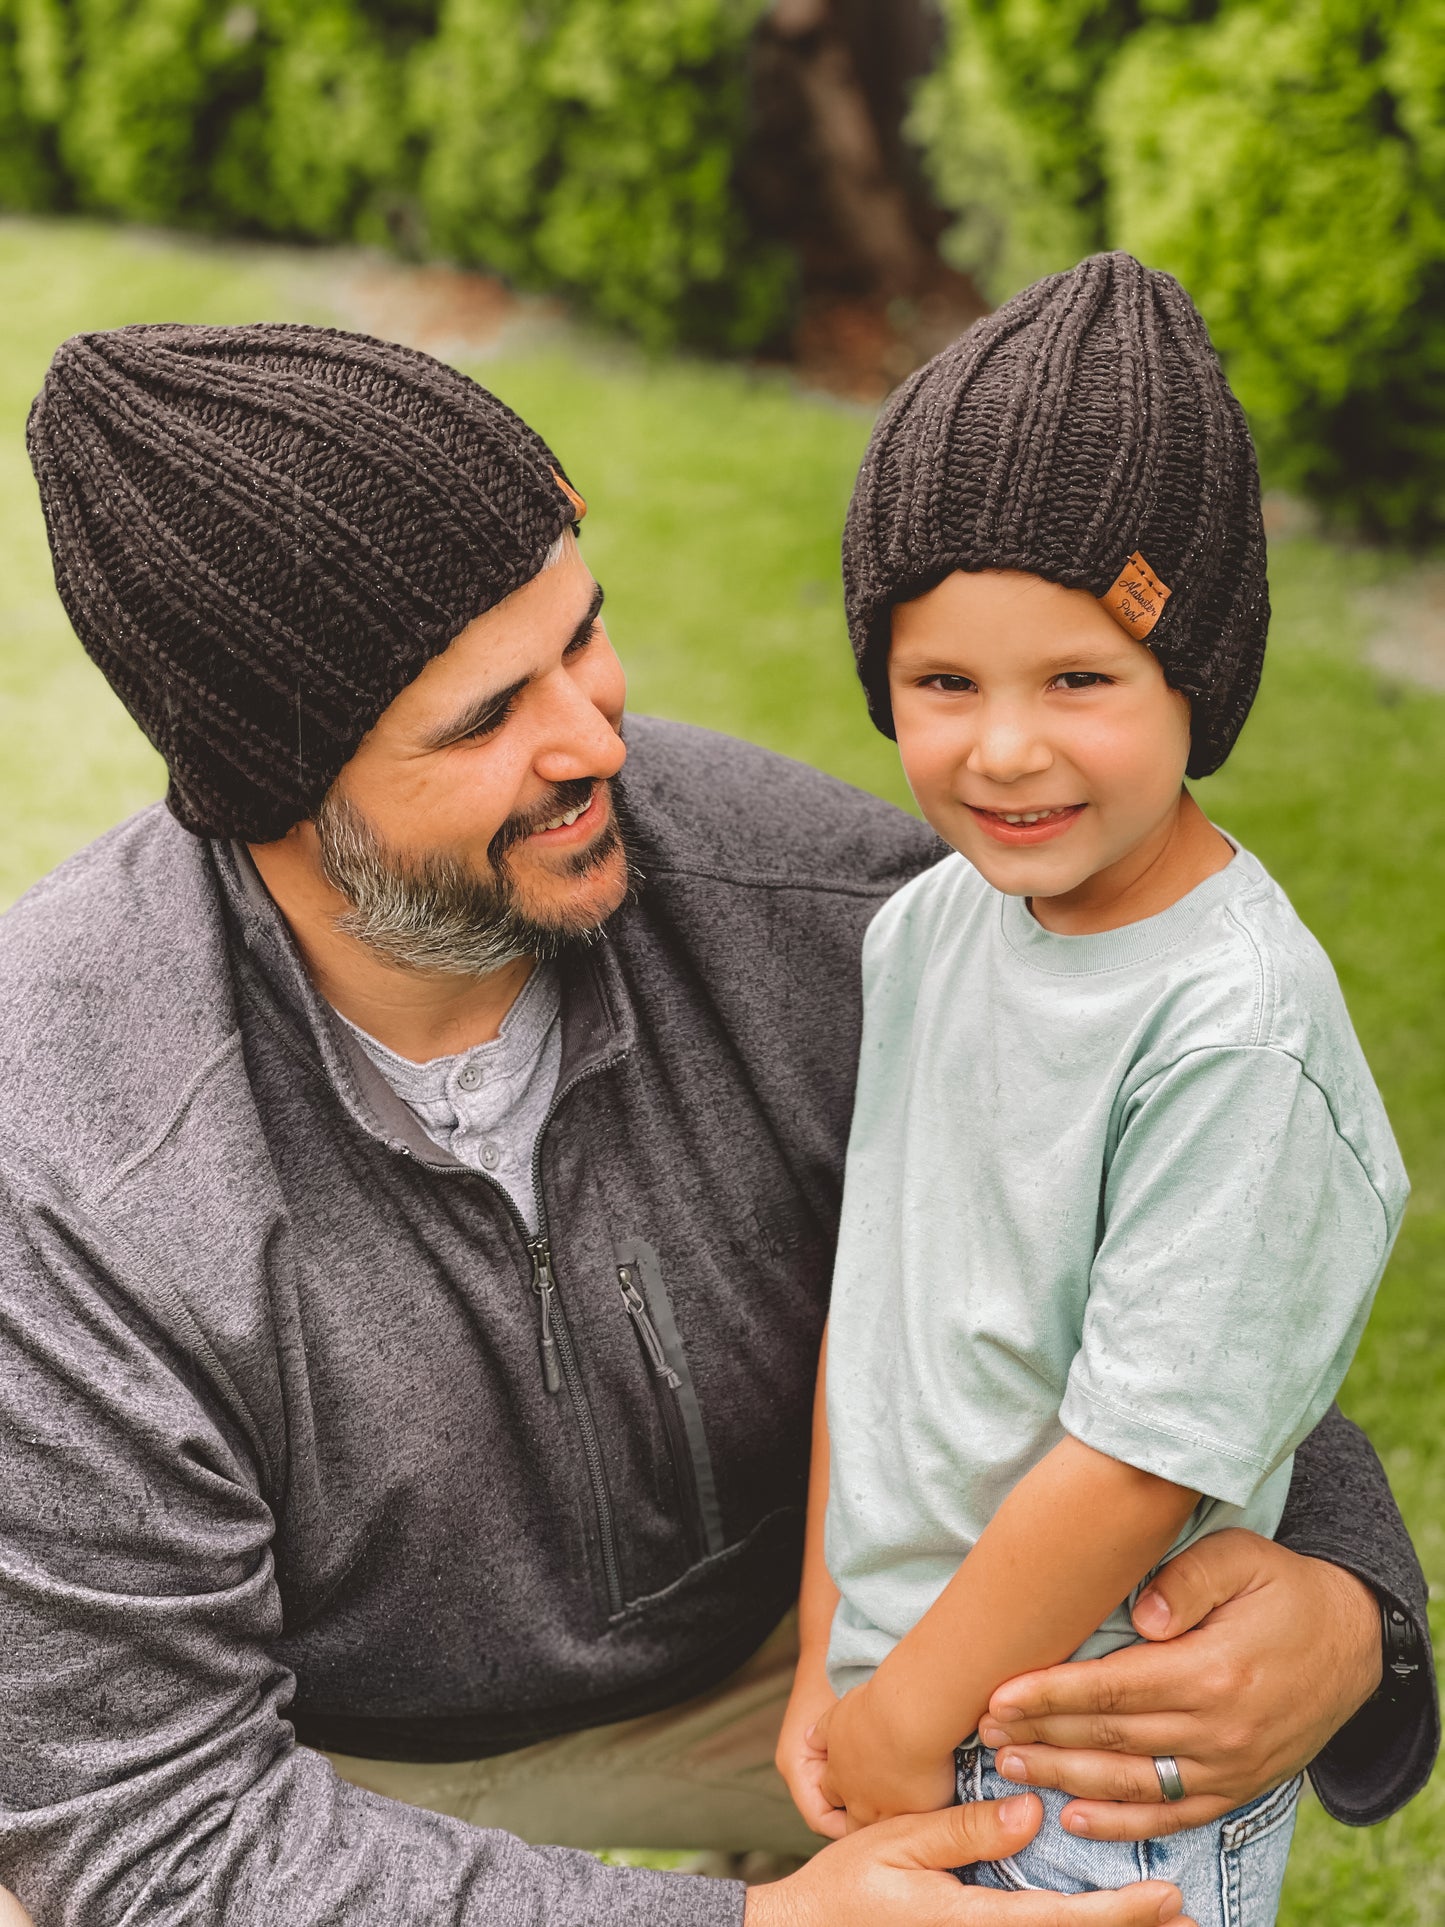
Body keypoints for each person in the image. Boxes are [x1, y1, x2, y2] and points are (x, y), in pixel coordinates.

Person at [0, 321, 1433, 1927]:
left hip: (820, 1660)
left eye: (582, 638)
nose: (594, 740)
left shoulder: (810, 901)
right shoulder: (64, 1157)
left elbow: (1177, 1262)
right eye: (484, 720)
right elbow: (151, 1835)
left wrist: (1349, 1605)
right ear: (278, 783)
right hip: (324, 1755)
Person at [776, 254, 1417, 1923]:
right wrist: (831, 1658)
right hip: (897, 1686)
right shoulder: (929, 929)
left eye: (1077, 680)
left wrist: (912, 1720)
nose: (1003, 751)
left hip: (1090, 1754)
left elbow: (1140, 1456)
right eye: (942, 684)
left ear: (1193, 682)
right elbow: (881, 1302)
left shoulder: (1232, 1029)